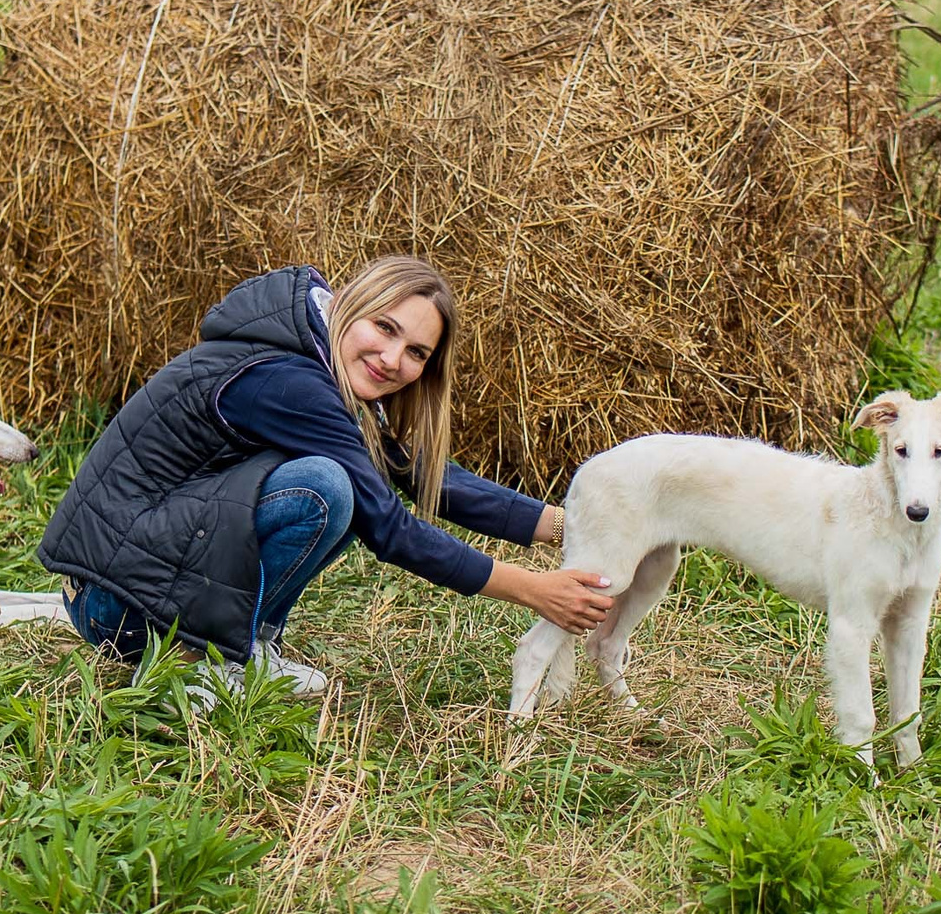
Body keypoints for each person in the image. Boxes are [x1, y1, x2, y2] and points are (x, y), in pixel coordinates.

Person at [36, 255, 615, 696]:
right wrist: (532, 589)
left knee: (346, 480)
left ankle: (243, 646)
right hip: (116, 606)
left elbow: (419, 474)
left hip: (131, 586)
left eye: (417, 352)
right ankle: (198, 660)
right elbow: (390, 528)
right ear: (347, 307)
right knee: (327, 487)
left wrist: (571, 524)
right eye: (384, 328)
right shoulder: (288, 379)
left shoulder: (315, 358)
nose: (393, 359)